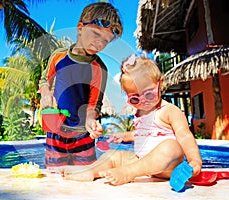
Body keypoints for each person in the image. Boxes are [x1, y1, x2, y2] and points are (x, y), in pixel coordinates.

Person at [56, 55, 202, 185]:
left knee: (171, 147)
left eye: (149, 95)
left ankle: (128, 172)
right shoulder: (140, 113)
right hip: (141, 162)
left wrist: (194, 161)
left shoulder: (169, 111)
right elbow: (140, 134)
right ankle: (90, 171)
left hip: (167, 166)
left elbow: (185, 136)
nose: (143, 101)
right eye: (134, 98)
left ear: (160, 84)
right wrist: (124, 136)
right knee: (113, 156)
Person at [39, 2, 123, 167]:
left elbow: (94, 104)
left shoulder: (99, 69)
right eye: (96, 34)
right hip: (56, 131)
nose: (100, 43)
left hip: (82, 134)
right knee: (53, 178)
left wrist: (91, 120)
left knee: (85, 178)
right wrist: (46, 94)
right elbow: (44, 80)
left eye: (106, 40)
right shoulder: (58, 56)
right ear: (80, 28)